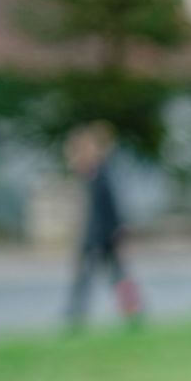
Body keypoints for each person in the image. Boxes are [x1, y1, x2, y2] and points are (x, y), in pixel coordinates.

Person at [64, 122, 143, 329]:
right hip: (97, 236)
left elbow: (110, 207)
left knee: (110, 277)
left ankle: (131, 312)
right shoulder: (93, 173)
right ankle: (77, 314)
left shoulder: (100, 174)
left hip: (101, 237)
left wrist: (117, 231)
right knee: (100, 278)